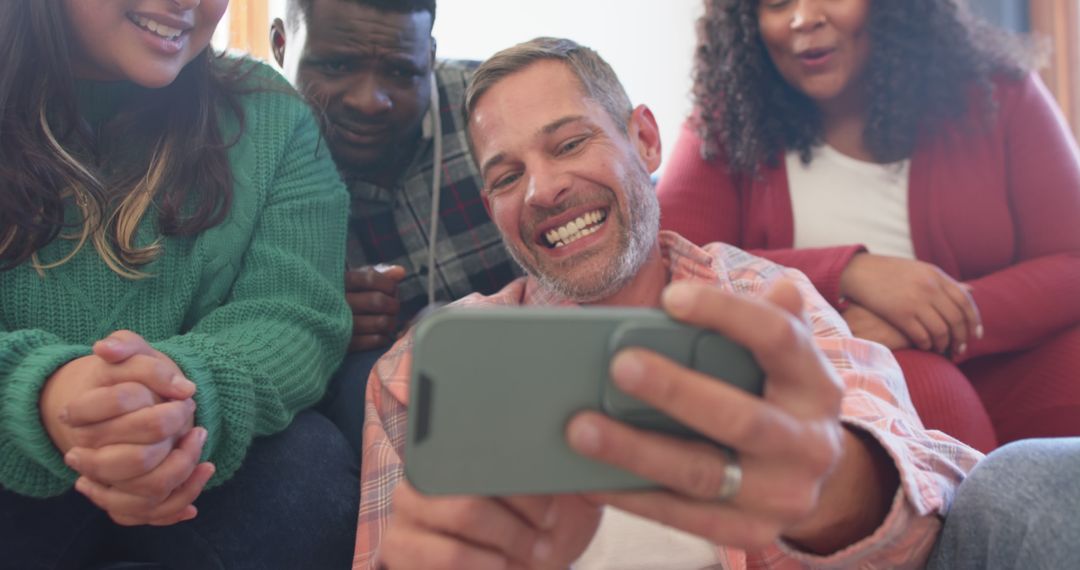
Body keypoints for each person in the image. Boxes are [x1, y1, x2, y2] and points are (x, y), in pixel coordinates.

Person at [353, 37, 984, 570]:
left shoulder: (764, 304)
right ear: (493, 211)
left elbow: (930, 517)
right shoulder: (417, 374)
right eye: (507, 177)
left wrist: (832, 488)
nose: (543, 189)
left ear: (647, 142)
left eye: (570, 144)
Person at [0, 1, 357, 568]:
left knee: (309, 470)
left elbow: (296, 312)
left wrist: (179, 400)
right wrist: (44, 396)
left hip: (201, 461)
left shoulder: (273, 116)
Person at [657, 0, 1080, 451]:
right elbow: (674, 261)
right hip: (844, 384)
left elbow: (1071, 262)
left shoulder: (998, 92)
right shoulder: (730, 121)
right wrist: (849, 273)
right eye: (778, 3)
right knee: (927, 391)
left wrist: (932, 317)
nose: (804, 18)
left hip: (1003, 363)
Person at [271, 0, 519, 453]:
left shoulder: (500, 110)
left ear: (429, 57)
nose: (370, 101)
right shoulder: (246, 155)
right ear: (280, 45)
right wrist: (308, 316)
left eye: (402, 73)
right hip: (373, 412)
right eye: (337, 64)